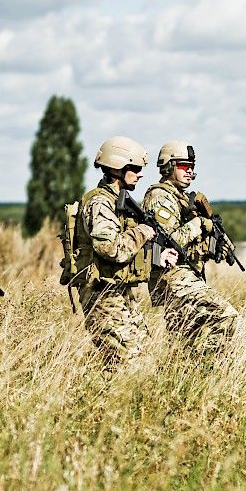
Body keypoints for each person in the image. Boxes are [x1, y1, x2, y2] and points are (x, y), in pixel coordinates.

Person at [74, 136, 177, 369]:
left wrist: (156, 257)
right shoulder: (100, 203)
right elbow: (111, 249)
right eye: (137, 168)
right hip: (101, 295)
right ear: (119, 167)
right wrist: (144, 231)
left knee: (142, 359)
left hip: (119, 292)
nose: (141, 174)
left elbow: (127, 250)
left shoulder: (117, 202)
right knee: (129, 363)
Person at [142, 141, 239, 353]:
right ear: (169, 166)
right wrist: (198, 224)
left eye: (192, 166)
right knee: (225, 315)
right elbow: (170, 242)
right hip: (172, 276)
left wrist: (210, 248)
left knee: (184, 340)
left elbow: (187, 249)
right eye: (184, 166)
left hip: (186, 275)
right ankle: (208, 367)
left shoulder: (181, 198)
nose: (190, 171)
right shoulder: (160, 196)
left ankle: (188, 375)